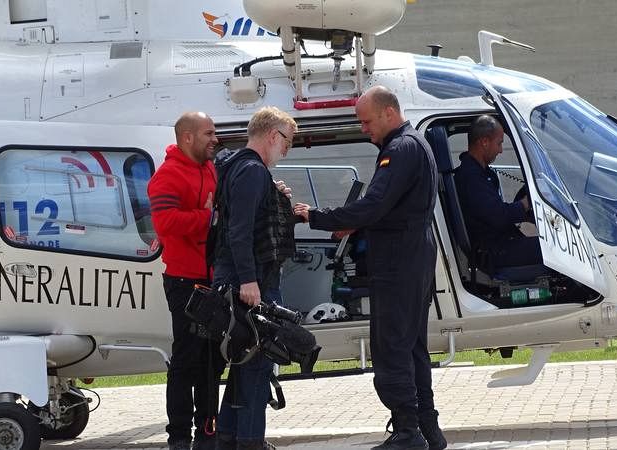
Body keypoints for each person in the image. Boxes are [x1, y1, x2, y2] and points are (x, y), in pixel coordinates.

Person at [293, 86, 446, 450]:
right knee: (412, 346)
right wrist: (357, 224)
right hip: (414, 257)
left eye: (367, 121)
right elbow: (391, 208)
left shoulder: (400, 149)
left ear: (389, 113)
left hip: (397, 262)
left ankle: (408, 432)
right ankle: (427, 427)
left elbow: (374, 205)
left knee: (391, 347)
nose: (364, 129)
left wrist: (316, 216)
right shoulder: (416, 144)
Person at [210, 106, 298, 450]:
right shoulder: (251, 171)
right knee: (258, 365)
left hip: (241, 279)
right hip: (251, 283)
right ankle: (250, 442)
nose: (286, 151)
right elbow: (240, 230)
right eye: (287, 143)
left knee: (243, 364)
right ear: (273, 135)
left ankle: (228, 439)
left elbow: (246, 219)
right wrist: (249, 282)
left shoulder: (238, 167)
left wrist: (276, 198)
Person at [147, 112, 226, 450]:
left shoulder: (210, 169)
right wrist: (207, 217)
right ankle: (178, 437)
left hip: (212, 277)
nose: (215, 139)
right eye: (209, 133)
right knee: (186, 359)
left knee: (212, 360)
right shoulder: (166, 176)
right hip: (184, 281)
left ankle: (207, 433)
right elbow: (166, 224)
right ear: (187, 137)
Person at [453, 115, 541, 271]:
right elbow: (499, 216)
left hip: (498, 243)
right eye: (499, 143)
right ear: (484, 142)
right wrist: (526, 204)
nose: (500, 150)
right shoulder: (471, 178)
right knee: (551, 252)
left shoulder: (481, 174)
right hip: (491, 251)